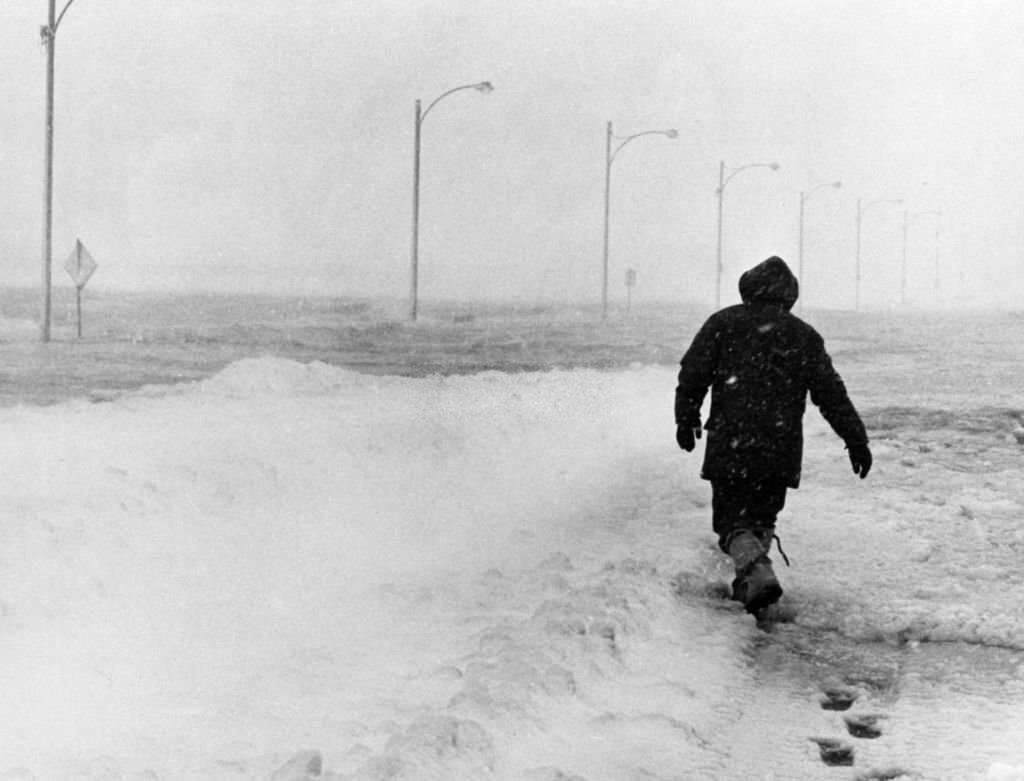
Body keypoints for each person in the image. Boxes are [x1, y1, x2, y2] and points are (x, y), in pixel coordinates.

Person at [674, 256, 872, 615]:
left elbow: (693, 374)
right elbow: (830, 393)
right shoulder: (803, 336)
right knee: (762, 519)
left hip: (730, 442)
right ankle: (751, 589)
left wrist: (686, 417)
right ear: (789, 296)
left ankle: (754, 572)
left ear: (748, 288)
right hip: (778, 447)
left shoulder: (724, 323)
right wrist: (856, 439)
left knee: (732, 522)